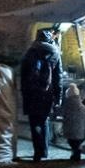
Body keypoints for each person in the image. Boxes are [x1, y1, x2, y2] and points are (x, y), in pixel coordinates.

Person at [19, 28, 63, 161]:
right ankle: (44, 150)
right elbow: (58, 76)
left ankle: (37, 152)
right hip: (47, 93)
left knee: (34, 122)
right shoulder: (55, 53)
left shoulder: (30, 52)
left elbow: (23, 74)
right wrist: (58, 95)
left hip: (32, 92)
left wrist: (24, 91)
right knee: (44, 121)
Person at [61, 83, 85, 161]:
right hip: (80, 130)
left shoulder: (67, 106)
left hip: (70, 130)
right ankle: (76, 153)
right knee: (76, 143)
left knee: (72, 143)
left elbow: (64, 116)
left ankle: (75, 153)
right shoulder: (82, 107)